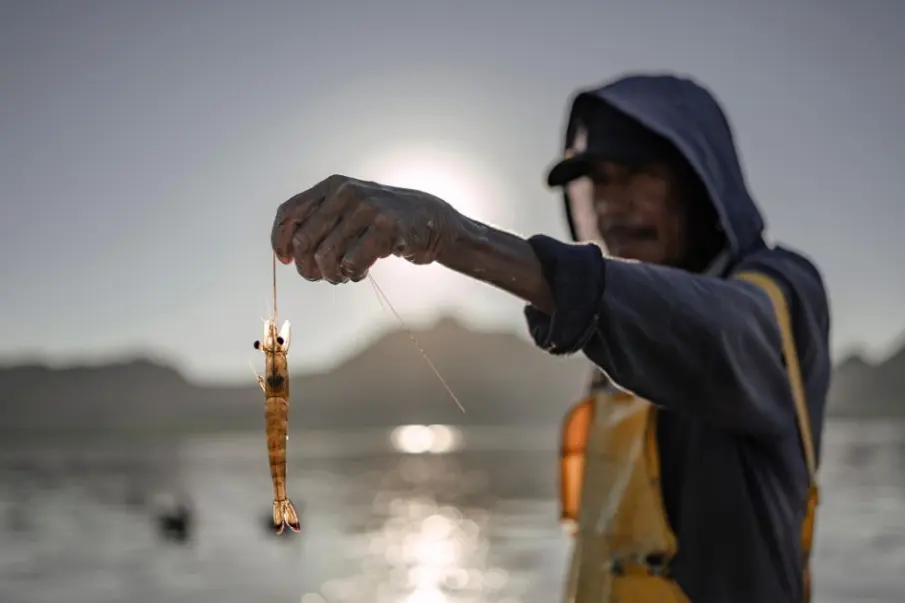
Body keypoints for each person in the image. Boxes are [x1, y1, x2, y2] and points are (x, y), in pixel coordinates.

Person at [269, 73, 831, 603]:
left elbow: (717, 330)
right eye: (599, 182)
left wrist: (449, 235)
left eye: (639, 174)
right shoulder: (617, 342)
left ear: (700, 181)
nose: (612, 204)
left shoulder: (781, 295)